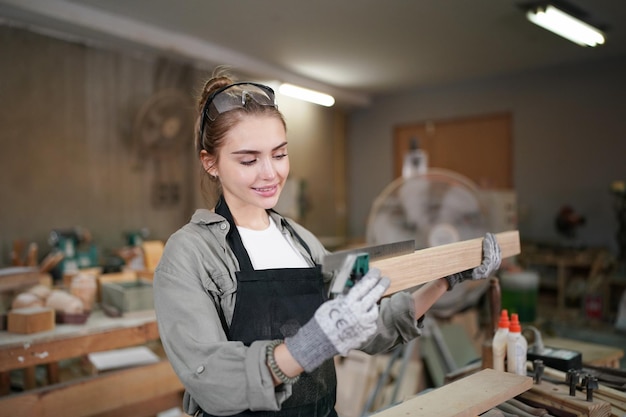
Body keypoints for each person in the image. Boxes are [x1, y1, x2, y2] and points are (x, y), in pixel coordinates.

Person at [153, 72, 502, 417]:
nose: (270, 173)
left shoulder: (304, 243)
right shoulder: (190, 253)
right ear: (209, 162)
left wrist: (445, 280)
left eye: (279, 155)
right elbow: (211, 380)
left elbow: (369, 329)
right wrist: (309, 345)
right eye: (248, 160)